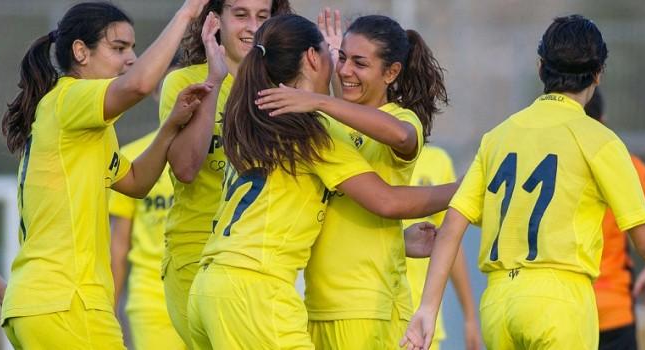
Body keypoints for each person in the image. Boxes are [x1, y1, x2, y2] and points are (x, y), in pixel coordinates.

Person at [402, 14, 645, 350]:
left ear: (541, 67)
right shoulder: (599, 140)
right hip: (560, 302)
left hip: (498, 304)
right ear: (598, 74)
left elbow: (453, 225)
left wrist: (427, 308)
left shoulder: (497, 137)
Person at [186, 14, 456, 349]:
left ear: (391, 73)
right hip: (263, 293)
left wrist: (397, 241)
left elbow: (400, 137)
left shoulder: (267, 123)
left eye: (359, 62)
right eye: (339, 57)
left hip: (358, 304)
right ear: (314, 58)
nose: (344, 70)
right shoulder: (313, 132)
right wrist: (469, 187)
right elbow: (384, 200)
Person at [0, 1, 211, 348]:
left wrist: (170, 126)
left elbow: (137, 182)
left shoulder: (86, 123)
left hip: (41, 305)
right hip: (69, 303)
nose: (131, 58)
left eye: (133, 48)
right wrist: (186, 14)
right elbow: (140, 85)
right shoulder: (70, 98)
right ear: (81, 52)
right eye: (119, 48)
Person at [158, 1, 291, 344]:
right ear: (215, 19)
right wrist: (215, 81)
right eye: (241, 14)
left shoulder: (285, 90)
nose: (252, 27)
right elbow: (186, 168)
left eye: (263, 17)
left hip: (258, 265)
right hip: (195, 255)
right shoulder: (184, 82)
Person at [585, 87, 645, 349]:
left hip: (568, 308)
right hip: (614, 307)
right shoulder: (621, 162)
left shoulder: (555, 163)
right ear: (602, 122)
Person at [108, 56, 185, 350]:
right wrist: (110, 309)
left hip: (205, 296)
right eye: (171, 87)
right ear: (156, 93)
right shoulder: (132, 157)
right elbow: (119, 244)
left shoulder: (219, 154)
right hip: (152, 301)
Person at [404, 145, 482, 350]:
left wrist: (470, 317)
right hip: (375, 312)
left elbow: (448, 240)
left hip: (421, 323)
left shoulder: (438, 161)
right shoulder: (368, 153)